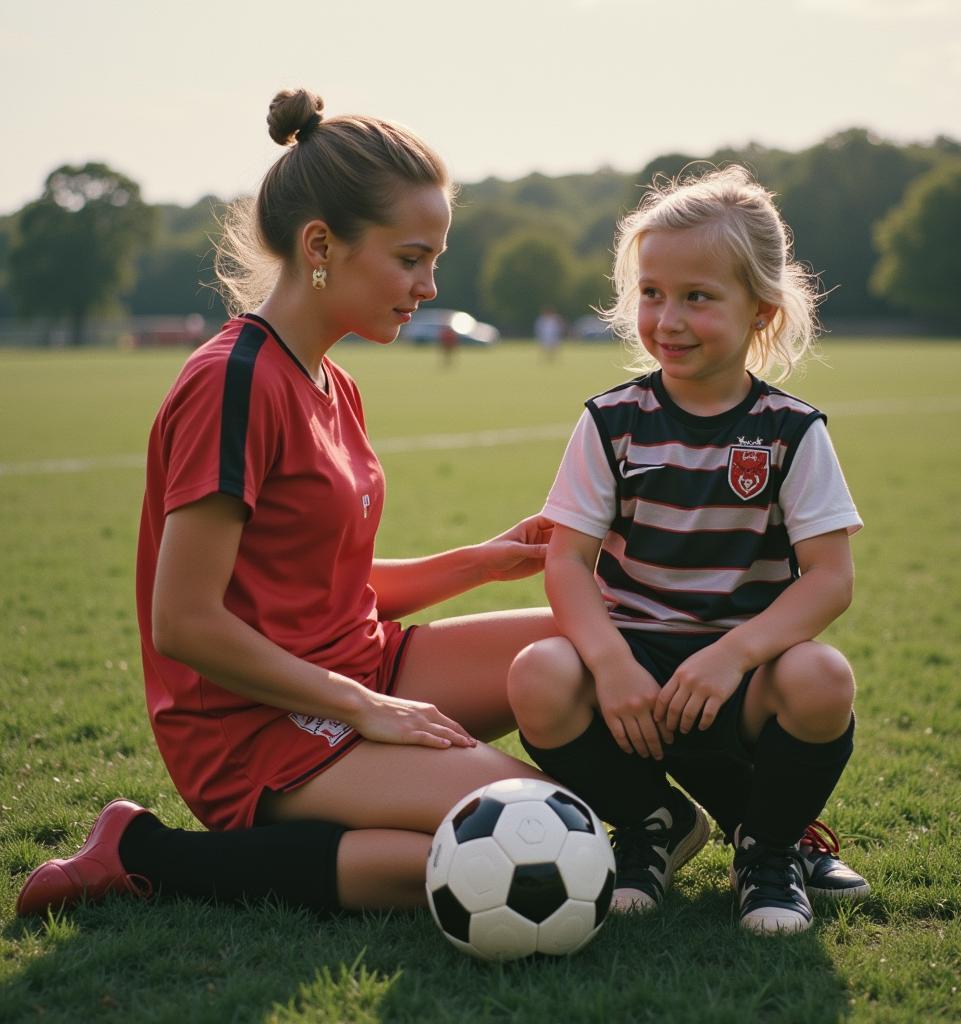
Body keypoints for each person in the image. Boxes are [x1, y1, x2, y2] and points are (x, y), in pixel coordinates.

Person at [16, 88, 560, 919]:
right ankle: (145, 855)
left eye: (434, 259)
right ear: (320, 245)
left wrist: (482, 563)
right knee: (533, 836)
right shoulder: (231, 383)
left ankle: (751, 831)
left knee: (587, 644)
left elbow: (316, 587)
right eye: (411, 257)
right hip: (257, 724)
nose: (429, 283)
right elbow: (185, 623)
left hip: (356, 669)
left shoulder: (333, 380)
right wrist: (364, 708)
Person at [508, 165, 866, 933]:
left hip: (739, 671)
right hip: (632, 666)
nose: (667, 318)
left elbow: (829, 579)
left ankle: (767, 853)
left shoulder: (790, 430)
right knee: (538, 673)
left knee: (823, 680)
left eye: (697, 297)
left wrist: (734, 655)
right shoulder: (610, 422)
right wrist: (608, 664)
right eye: (651, 293)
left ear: (760, 312)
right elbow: (567, 561)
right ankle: (650, 826)